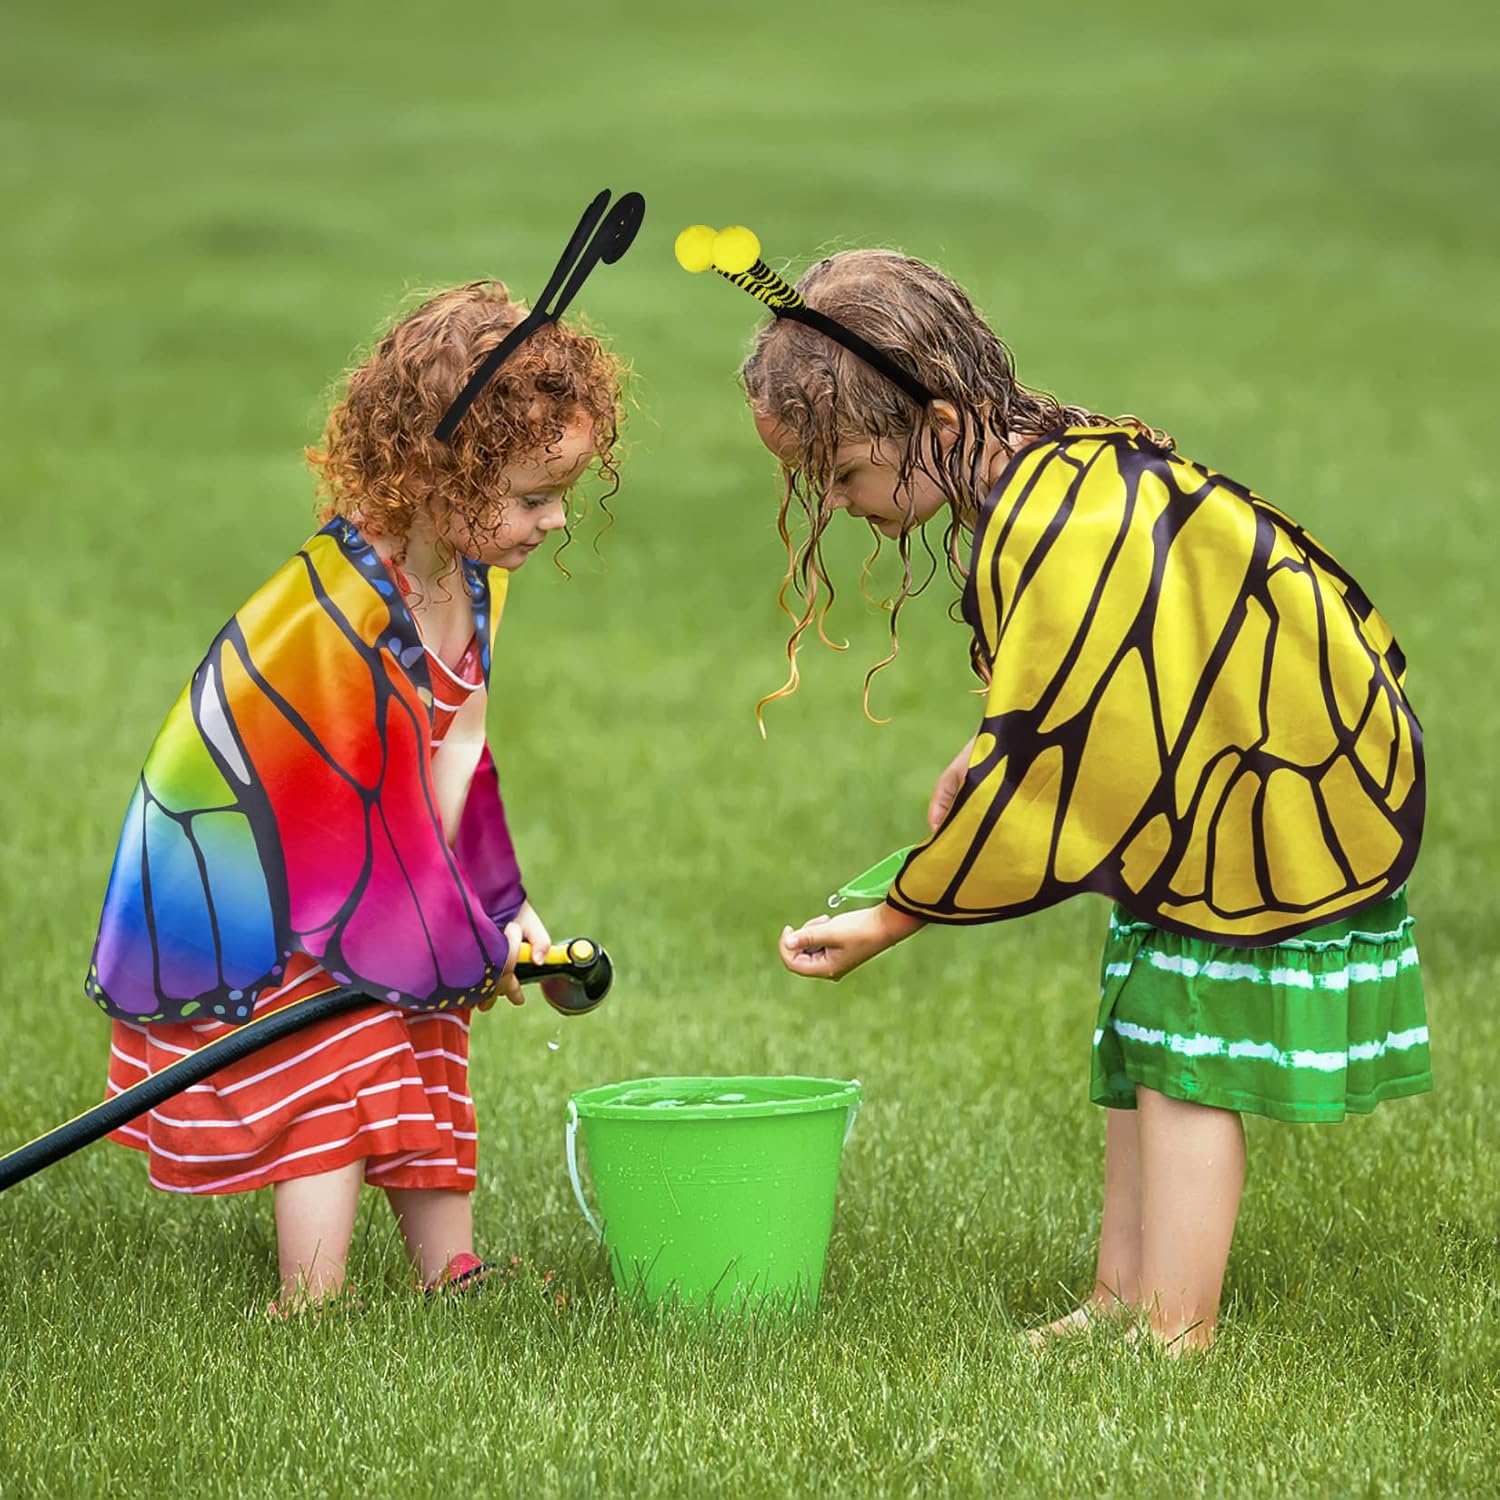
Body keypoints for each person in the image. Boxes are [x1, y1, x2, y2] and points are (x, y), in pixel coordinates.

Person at [685, 232, 1429, 1352]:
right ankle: (1122, 1299)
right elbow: (1071, 690)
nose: (834, 505)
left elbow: (1064, 755)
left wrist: (896, 914)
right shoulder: (1039, 472)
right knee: (1146, 1031)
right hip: (1208, 774)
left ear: (939, 428)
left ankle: (1175, 1334)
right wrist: (987, 747)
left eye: (842, 474)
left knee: (1186, 1057)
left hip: (1277, 787)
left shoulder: (1051, 516)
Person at [89, 279, 625, 1315]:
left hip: (357, 857)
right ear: (433, 474)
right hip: (254, 871)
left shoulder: (470, 577)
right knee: (335, 1059)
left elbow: (458, 748)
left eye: (562, 493)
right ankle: (310, 1302)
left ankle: (451, 1272)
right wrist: (451, 933)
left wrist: (500, 905)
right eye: (532, 497)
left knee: (428, 1028)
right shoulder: (337, 613)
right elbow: (350, 811)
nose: (556, 520)